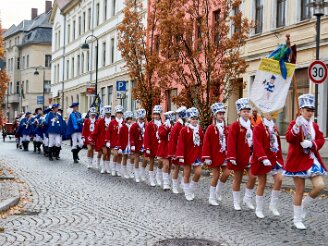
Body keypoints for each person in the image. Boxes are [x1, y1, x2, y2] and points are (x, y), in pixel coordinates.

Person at [284, 94, 326, 230]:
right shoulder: (294, 123)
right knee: (300, 190)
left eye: (312, 110)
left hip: (312, 160)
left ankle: (303, 205)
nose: (310, 113)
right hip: (298, 161)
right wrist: (296, 126)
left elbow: (321, 140)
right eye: (307, 110)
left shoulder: (314, 125)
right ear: (301, 110)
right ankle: (297, 219)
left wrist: (311, 143)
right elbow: (290, 138)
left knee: (319, 186)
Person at [251, 112, 284, 218]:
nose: (271, 115)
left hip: (274, 158)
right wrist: (263, 157)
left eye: (272, 113)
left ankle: (273, 205)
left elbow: (277, 143)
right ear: (263, 114)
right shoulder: (258, 128)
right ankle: (259, 209)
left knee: (279, 179)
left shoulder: (274, 127)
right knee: (262, 183)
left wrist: (279, 157)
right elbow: (257, 144)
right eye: (268, 113)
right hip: (262, 159)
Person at [227, 98, 257, 211]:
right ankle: (236, 201)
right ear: (239, 112)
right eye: (244, 111)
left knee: (253, 176)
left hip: (250, 156)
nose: (246, 113)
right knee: (238, 179)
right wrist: (232, 156)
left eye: (247, 111)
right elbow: (231, 141)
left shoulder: (252, 126)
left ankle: (247, 198)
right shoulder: (235, 125)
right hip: (238, 156)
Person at [202, 102, 231, 206]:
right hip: (214, 156)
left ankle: (218, 190)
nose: (222, 116)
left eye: (223, 113)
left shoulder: (226, 128)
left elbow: (229, 141)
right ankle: (211, 197)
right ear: (215, 115)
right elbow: (206, 143)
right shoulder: (211, 128)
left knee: (227, 173)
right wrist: (207, 157)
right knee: (215, 175)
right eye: (220, 114)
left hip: (224, 155)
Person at [176, 107, 204, 201]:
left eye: (196, 118)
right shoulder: (184, 130)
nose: (195, 120)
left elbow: (202, 141)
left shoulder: (199, 129)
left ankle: (191, 188)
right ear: (189, 119)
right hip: (187, 154)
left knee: (198, 172)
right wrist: (180, 156)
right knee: (187, 172)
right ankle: (187, 192)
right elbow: (180, 143)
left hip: (197, 154)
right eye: (193, 118)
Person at [168, 106, 187, 194]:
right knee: (177, 168)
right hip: (177, 151)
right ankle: (175, 186)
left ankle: (183, 184)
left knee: (186, 169)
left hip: (185, 151)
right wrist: (174, 153)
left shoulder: (185, 125)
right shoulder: (177, 126)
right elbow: (172, 140)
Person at [144, 105, 163, 187]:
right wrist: (147, 147)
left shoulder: (163, 124)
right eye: (154, 114)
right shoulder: (150, 124)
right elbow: (146, 136)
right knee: (151, 162)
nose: (155, 116)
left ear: (160, 115)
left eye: (157, 114)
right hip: (152, 146)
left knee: (160, 162)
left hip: (160, 146)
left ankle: (158, 176)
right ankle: (151, 178)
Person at [89, 105, 112, 174]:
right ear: (104, 114)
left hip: (110, 140)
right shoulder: (101, 121)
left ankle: (107, 168)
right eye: (107, 114)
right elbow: (96, 130)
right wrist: (91, 137)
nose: (108, 115)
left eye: (109, 114)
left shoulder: (112, 121)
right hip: (102, 139)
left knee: (109, 153)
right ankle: (103, 167)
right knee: (104, 152)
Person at [157, 111, 175, 190]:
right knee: (166, 165)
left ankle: (166, 180)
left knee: (170, 166)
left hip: (171, 148)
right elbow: (161, 135)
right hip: (164, 147)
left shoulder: (174, 125)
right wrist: (166, 128)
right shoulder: (163, 126)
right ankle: (165, 183)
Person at [106, 105, 125, 177]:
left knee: (120, 156)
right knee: (116, 154)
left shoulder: (124, 122)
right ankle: (113, 169)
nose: (119, 114)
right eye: (118, 113)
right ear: (116, 114)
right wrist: (108, 141)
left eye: (120, 113)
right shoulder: (112, 122)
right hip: (114, 142)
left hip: (122, 142)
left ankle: (118, 170)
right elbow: (108, 132)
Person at [130, 109, 146, 183]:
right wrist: (132, 145)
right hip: (136, 144)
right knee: (137, 159)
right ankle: (136, 175)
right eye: (140, 118)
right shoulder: (134, 126)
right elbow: (131, 136)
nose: (141, 120)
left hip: (143, 144)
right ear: (137, 118)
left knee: (146, 159)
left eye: (142, 118)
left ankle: (142, 173)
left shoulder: (146, 125)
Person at [120, 111, 134, 179]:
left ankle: (131, 172)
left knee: (132, 158)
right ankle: (125, 172)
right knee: (125, 158)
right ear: (125, 119)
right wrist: (120, 146)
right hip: (125, 144)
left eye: (130, 119)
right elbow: (120, 137)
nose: (129, 120)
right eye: (128, 119)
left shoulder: (133, 127)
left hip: (131, 144)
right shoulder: (122, 127)